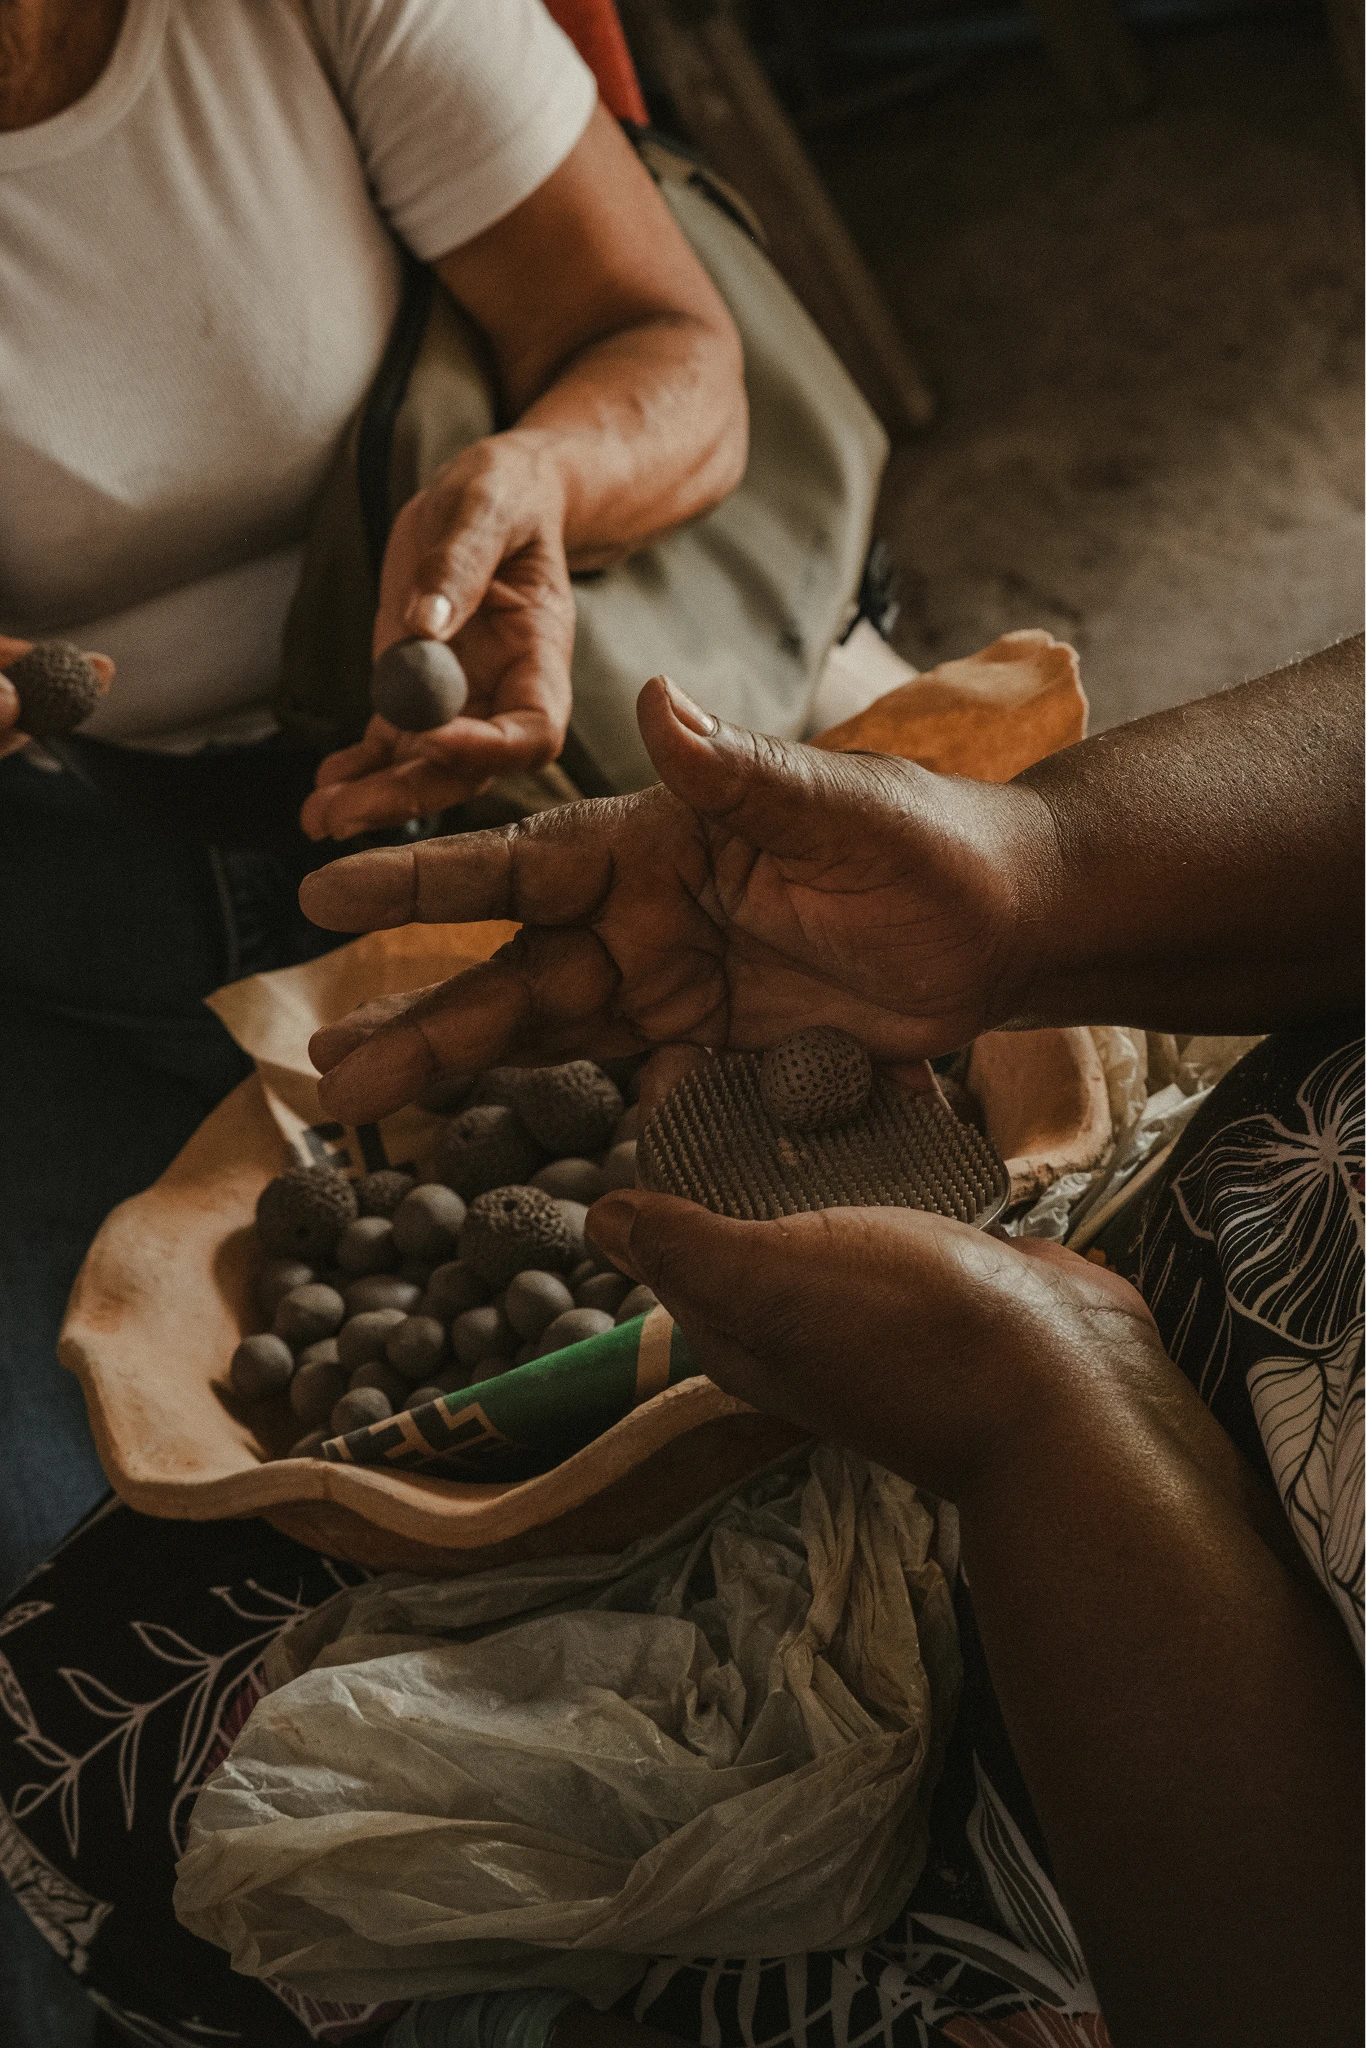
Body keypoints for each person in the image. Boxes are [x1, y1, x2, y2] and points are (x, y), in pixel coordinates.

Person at [4, 645, 1366, 2046]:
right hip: (1134, 1269)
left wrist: (1040, 1417)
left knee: (90, 1747)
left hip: (1132, 1750)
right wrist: (1034, 871)